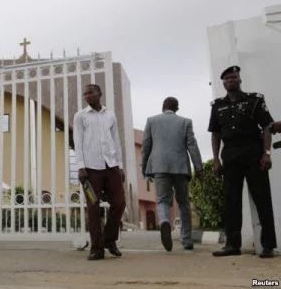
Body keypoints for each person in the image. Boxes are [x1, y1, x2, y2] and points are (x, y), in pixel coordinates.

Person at [208, 66, 277, 258]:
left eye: (234, 77)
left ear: (240, 80)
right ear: (223, 83)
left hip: (253, 154)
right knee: (231, 201)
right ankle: (232, 245)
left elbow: (267, 127)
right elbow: (216, 134)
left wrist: (267, 153)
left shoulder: (254, 100)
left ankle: (268, 245)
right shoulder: (217, 105)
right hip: (230, 156)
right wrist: (215, 159)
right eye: (227, 78)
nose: (231, 80)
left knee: (262, 199)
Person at [141, 97, 203, 252]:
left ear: (163, 107)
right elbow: (192, 146)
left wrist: (145, 167)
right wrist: (199, 167)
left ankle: (164, 221)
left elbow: (146, 146)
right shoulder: (185, 122)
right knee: (183, 203)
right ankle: (186, 240)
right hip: (180, 167)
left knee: (162, 200)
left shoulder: (151, 121)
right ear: (177, 108)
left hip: (159, 166)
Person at [73, 84, 126, 261]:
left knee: (119, 203)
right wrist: (80, 167)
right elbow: (77, 142)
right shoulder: (80, 116)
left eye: (90, 93)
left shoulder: (110, 115)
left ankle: (109, 240)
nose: (87, 96)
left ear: (99, 94)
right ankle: (97, 248)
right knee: (93, 207)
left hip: (111, 166)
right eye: (85, 94)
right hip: (90, 169)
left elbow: (116, 141)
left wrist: (119, 166)